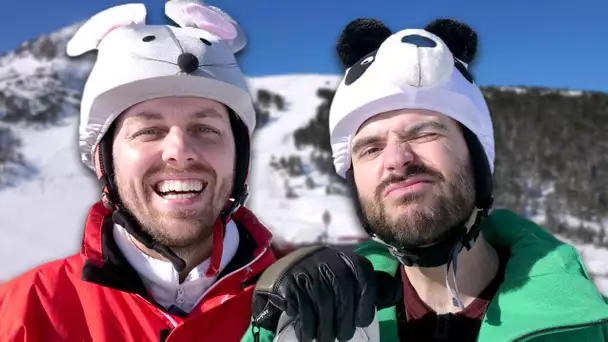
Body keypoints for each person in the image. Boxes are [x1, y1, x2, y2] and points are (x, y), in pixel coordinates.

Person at [242, 18, 608, 342]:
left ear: (477, 157)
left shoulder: (584, 324)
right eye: (370, 149)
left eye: (424, 134)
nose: (397, 160)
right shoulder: (325, 322)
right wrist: (274, 329)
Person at [0, 2, 277, 341]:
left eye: (206, 129)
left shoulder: (310, 301)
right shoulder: (24, 312)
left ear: (240, 157)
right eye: (148, 131)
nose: (180, 152)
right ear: (105, 160)